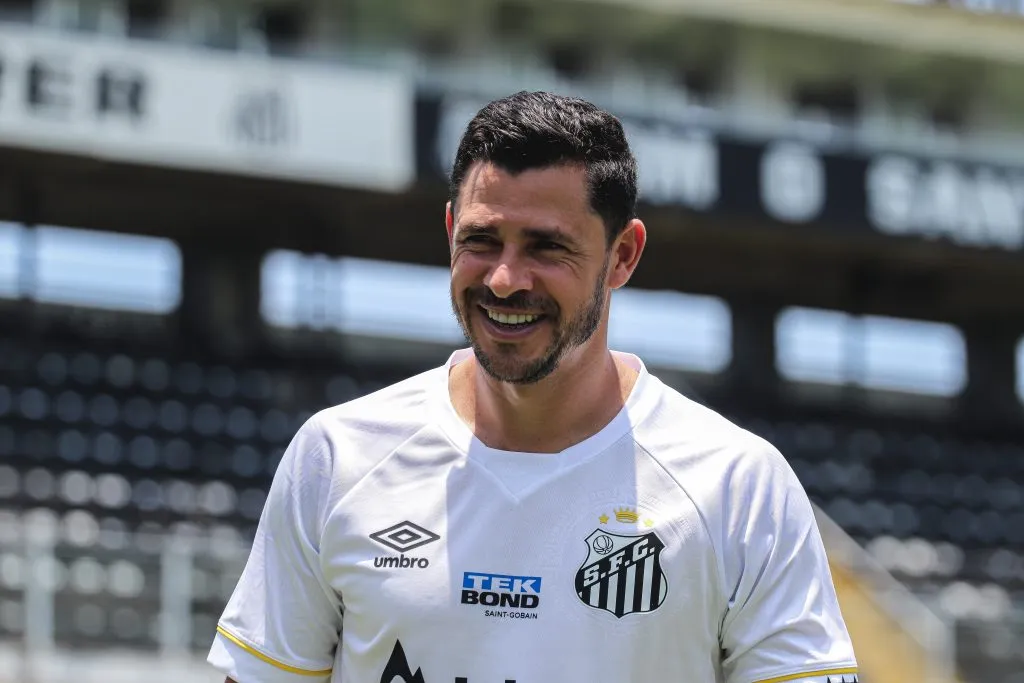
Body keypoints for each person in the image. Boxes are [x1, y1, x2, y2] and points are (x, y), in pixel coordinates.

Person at [208, 91, 859, 683]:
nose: (503, 279)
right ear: (448, 232)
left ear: (623, 256)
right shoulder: (336, 458)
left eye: (546, 248)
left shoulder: (738, 486)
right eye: (481, 240)